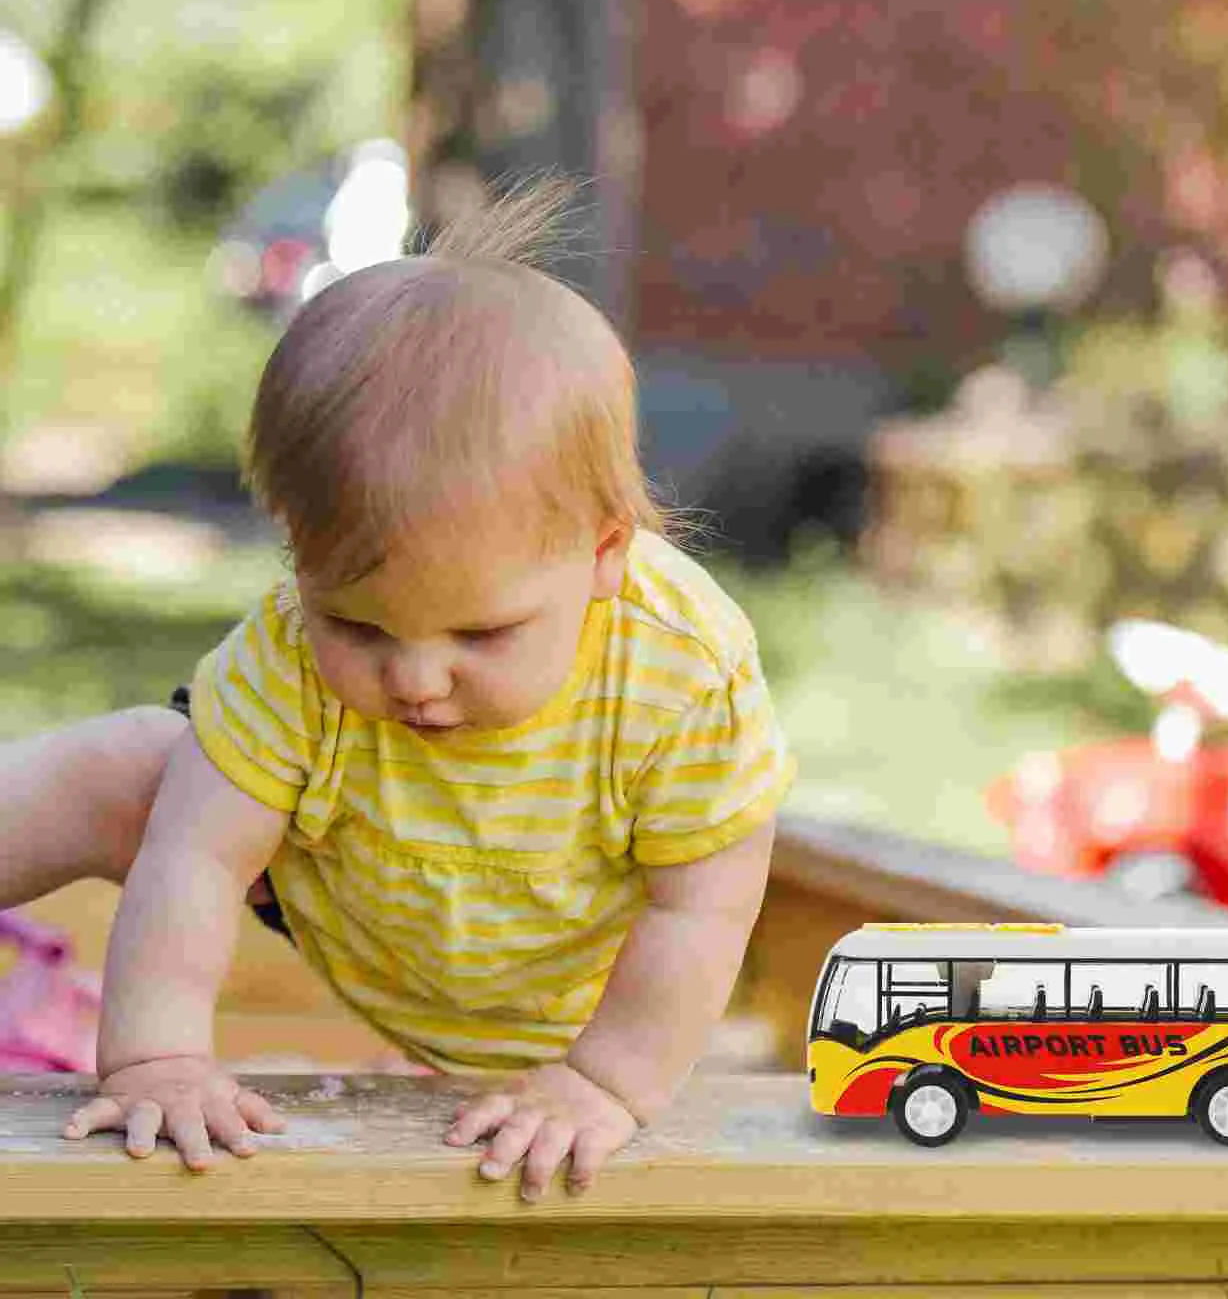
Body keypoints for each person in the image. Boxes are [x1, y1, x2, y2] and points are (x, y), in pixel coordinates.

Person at [0, 179, 795, 1199]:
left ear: (604, 554)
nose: (415, 678)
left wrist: (605, 1080)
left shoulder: (682, 670)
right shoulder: (286, 646)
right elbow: (196, 856)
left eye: (482, 631)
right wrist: (157, 1057)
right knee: (134, 768)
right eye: (359, 625)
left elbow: (702, 908)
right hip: (356, 883)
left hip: (573, 973)